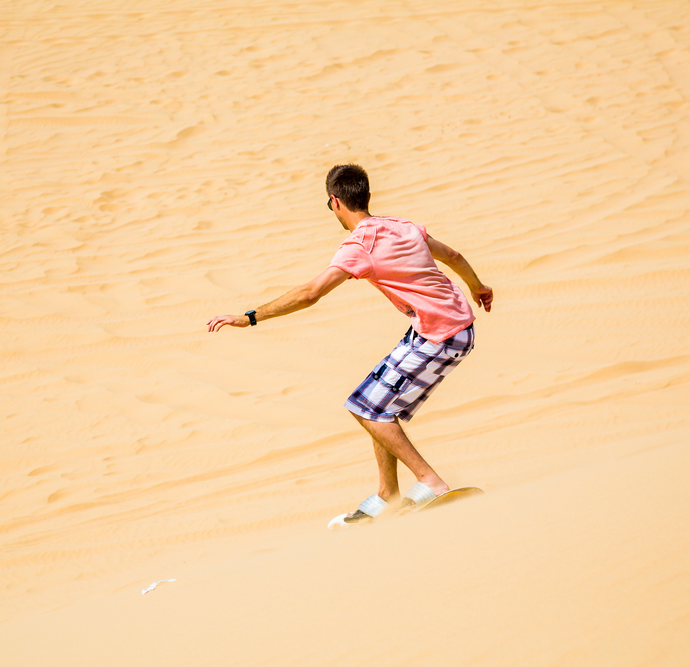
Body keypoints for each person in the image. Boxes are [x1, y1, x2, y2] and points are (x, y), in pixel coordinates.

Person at [207, 164, 492, 527]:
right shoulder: (403, 226)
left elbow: (311, 293)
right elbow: (452, 257)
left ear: (335, 202)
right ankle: (387, 494)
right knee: (375, 403)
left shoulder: (360, 246)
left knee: (365, 408)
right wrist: (477, 286)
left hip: (442, 335)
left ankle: (431, 483)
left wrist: (250, 317)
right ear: (367, 196)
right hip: (445, 327)